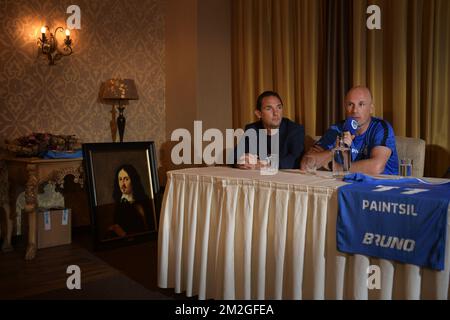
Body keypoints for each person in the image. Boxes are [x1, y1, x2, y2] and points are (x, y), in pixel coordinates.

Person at [301, 86, 399, 175]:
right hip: (348, 185)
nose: (355, 110)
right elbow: (306, 165)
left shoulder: (380, 127)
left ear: (371, 108)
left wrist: (338, 168)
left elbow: (376, 167)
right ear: (345, 107)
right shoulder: (336, 129)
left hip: (382, 187)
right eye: (350, 104)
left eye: (361, 104)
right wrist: (335, 150)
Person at [235, 91, 305, 169]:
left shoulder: (295, 130)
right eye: (269, 108)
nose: (276, 113)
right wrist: (242, 161)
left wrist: (263, 164)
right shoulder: (252, 129)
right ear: (259, 114)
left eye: (279, 107)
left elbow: (294, 160)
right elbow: (235, 155)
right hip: (259, 177)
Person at [106, 164, 155, 239]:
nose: (123, 184)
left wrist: (124, 234)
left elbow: (147, 228)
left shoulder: (142, 201)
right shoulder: (119, 202)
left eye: (126, 179)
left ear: (133, 180)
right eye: (120, 179)